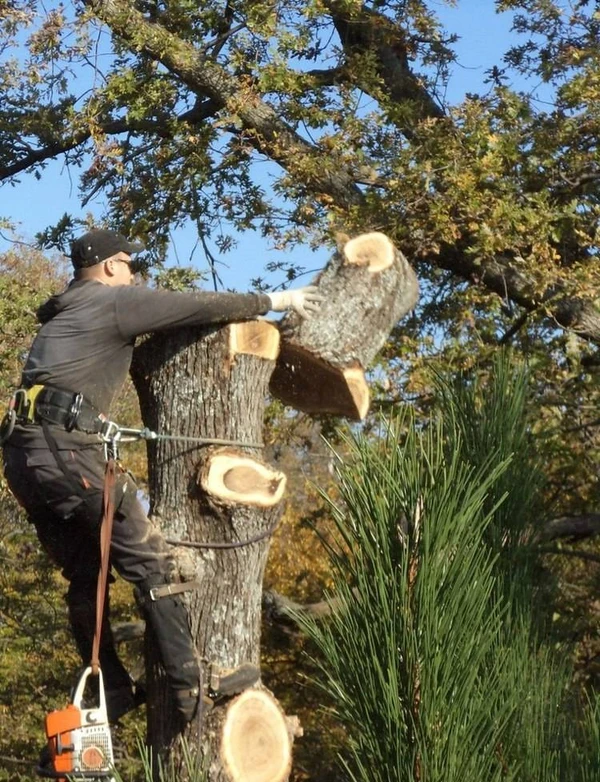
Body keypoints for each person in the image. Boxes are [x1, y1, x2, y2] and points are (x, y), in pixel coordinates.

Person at [1, 228, 322, 725]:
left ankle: (111, 687)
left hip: (25, 459)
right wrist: (276, 298)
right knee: (152, 562)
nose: (134, 276)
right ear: (110, 266)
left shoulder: (67, 309)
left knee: (88, 572)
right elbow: (191, 306)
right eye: (129, 265)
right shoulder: (112, 303)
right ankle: (191, 687)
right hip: (63, 449)